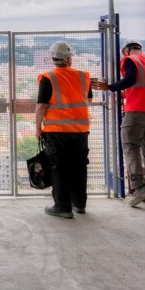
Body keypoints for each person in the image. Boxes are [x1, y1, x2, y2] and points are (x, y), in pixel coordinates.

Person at [92, 40, 145, 207]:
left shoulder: (130, 60)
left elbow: (131, 79)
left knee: (131, 146)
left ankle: (139, 187)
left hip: (136, 109)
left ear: (126, 51)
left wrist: (110, 87)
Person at [35, 41, 92, 219]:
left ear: (53, 59)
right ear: (69, 59)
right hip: (80, 130)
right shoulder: (84, 76)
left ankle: (63, 206)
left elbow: (41, 106)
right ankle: (79, 204)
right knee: (79, 167)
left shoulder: (48, 77)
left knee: (59, 168)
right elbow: (87, 100)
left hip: (57, 130)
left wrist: (38, 128)